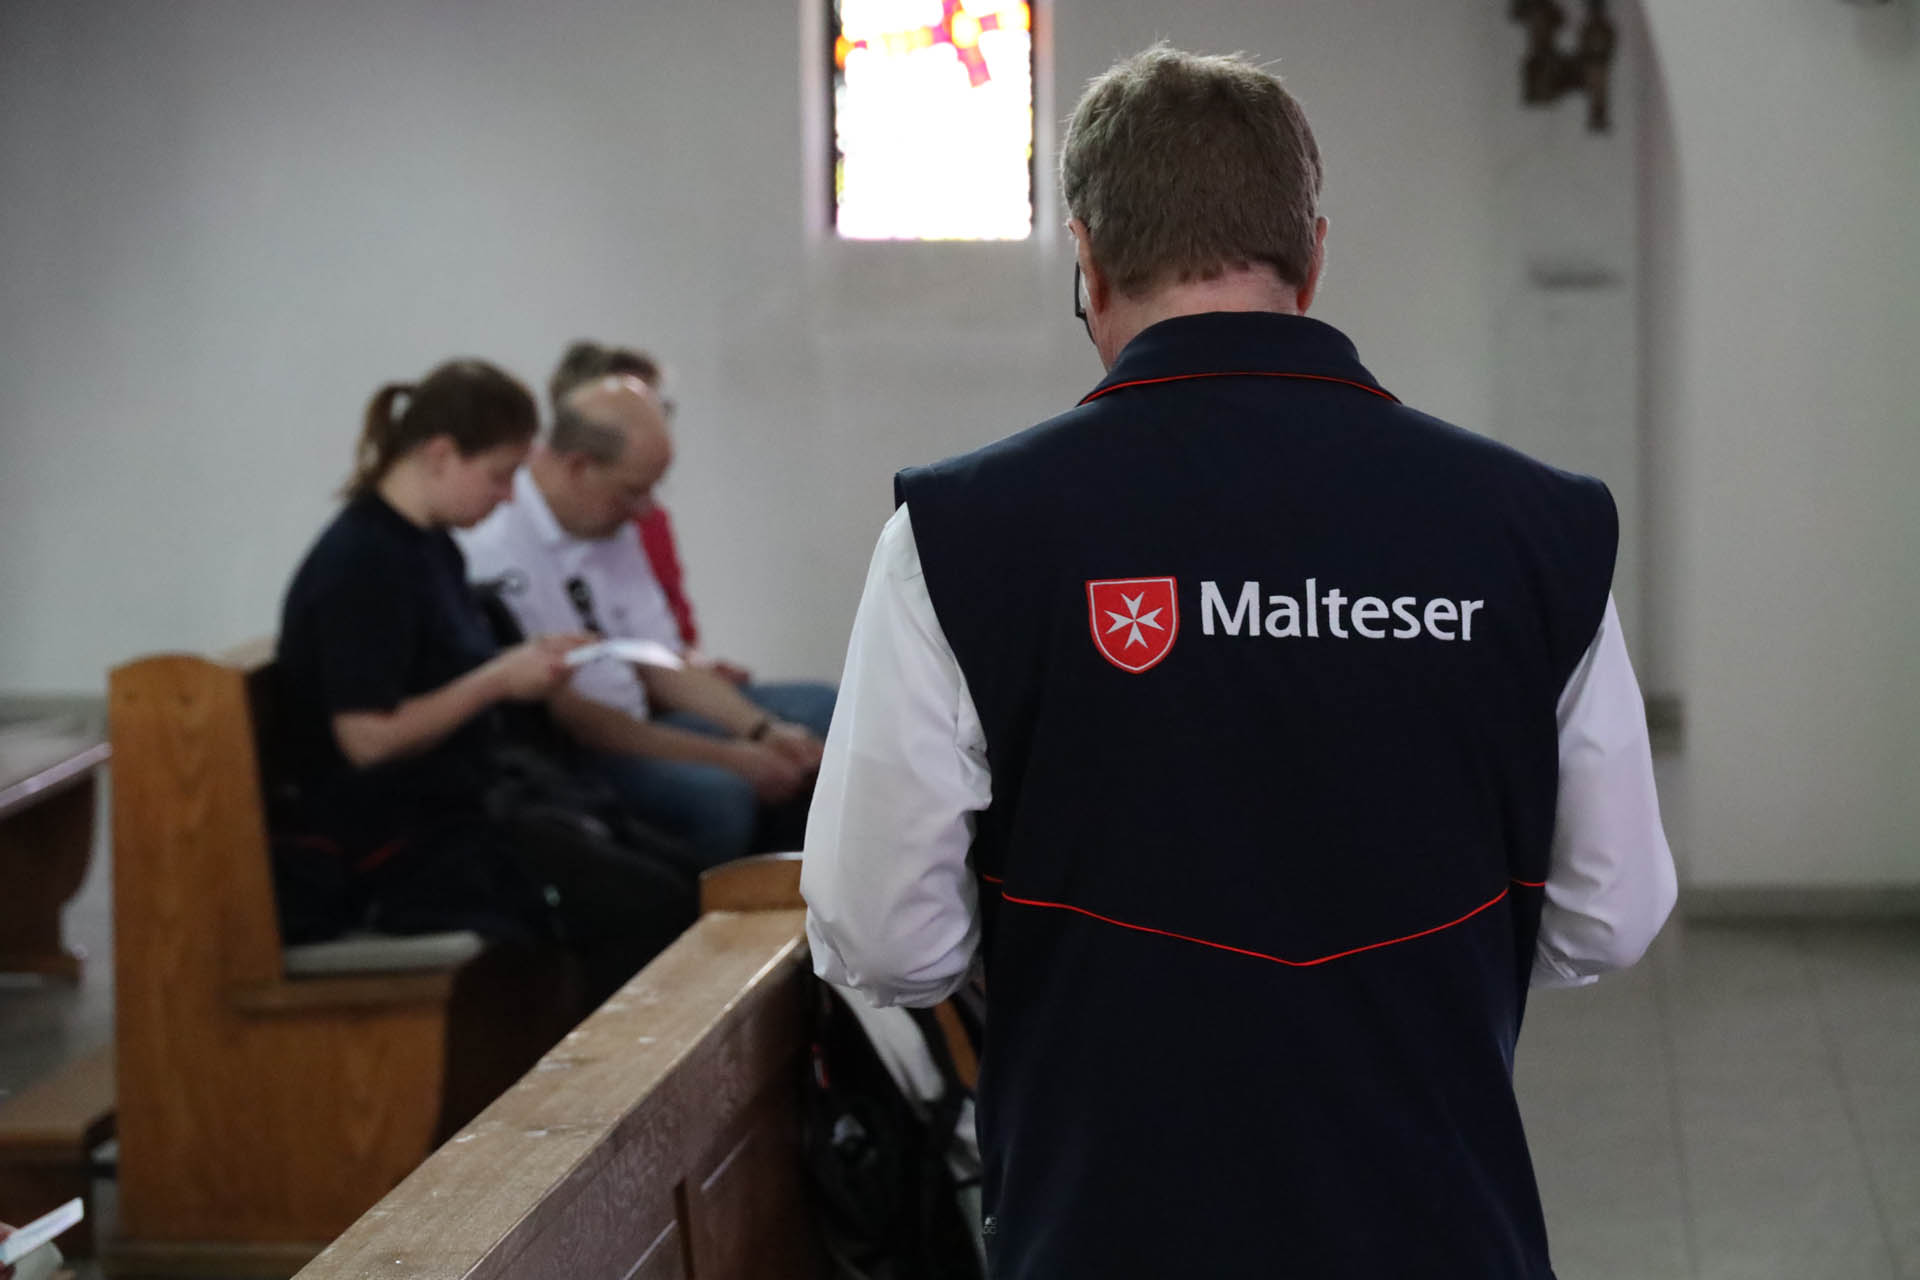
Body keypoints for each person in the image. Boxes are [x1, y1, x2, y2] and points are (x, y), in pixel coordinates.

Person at [801, 45, 1677, 1279]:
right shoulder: (1538, 527)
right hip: (1436, 1223)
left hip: (1107, 1223)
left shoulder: (956, 534)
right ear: (1312, 257)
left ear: (1088, 260)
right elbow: (1611, 912)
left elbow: (886, 935)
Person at [275, 358, 695, 1000]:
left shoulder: (431, 546)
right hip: (395, 840)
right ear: (441, 455)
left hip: (467, 801)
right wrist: (499, 679)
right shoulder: (362, 562)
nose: (508, 498)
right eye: (500, 476)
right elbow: (367, 740)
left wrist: (529, 662)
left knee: (684, 873)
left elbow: (457, 670)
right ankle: (596, 1062)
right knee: (650, 909)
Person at [459, 373, 825, 870]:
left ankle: (804, 899)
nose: (646, 510)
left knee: (823, 717)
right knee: (722, 797)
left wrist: (764, 731)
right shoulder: (494, 547)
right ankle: (702, 915)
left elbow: (660, 663)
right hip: (577, 746)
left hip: (638, 716)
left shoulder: (606, 519)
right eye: (634, 491)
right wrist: (732, 757)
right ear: (578, 466)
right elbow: (574, 719)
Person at [545, 339, 839, 732]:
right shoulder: (563, 525)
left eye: (659, 408)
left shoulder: (636, 518)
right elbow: (605, 685)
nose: (657, 422)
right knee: (771, 745)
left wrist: (707, 677)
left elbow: (663, 644)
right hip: (631, 710)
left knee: (825, 708)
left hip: (664, 688)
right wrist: (746, 739)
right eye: (643, 410)